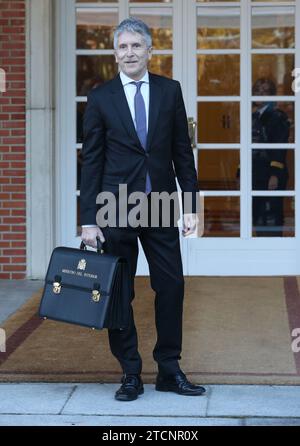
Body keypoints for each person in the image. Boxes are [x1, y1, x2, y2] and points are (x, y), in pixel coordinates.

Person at [80, 18, 205, 401]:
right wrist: (88, 219)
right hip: (115, 206)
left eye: (136, 46)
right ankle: (130, 372)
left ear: (150, 50)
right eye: (123, 47)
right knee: (120, 291)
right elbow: (91, 161)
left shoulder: (170, 91)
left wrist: (190, 205)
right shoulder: (100, 98)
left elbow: (183, 152)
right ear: (115, 53)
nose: (129, 53)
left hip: (162, 204)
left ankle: (169, 369)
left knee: (171, 285)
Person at [251, 78, 290, 236]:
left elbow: (279, 148)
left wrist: (274, 174)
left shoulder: (276, 117)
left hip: (270, 173)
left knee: (272, 213)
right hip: (257, 172)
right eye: (258, 90)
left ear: (271, 95)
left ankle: (274, 249)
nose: (260, 93)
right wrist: (241, 172)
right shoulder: (255, 116)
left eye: (265, 91)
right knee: (258, 212)